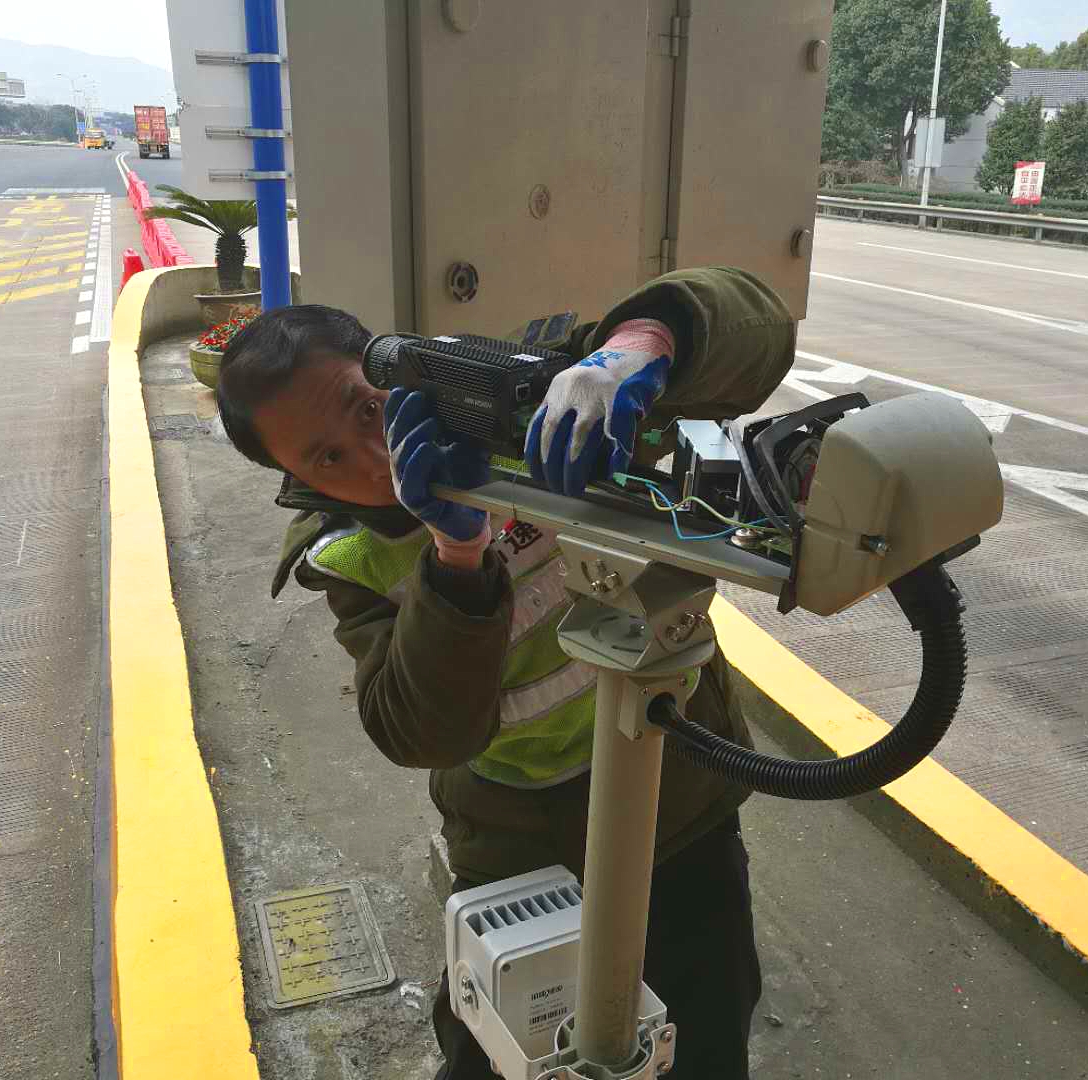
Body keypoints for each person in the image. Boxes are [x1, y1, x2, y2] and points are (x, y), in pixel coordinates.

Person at [216, 266, 796, 1078]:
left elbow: (755, 325)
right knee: (490, 1049)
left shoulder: (515, 395)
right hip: (516, 836)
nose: (372, 458)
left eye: (367, 408)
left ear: (393, 365)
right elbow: (423, 731)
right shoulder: (349, 555)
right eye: (328, 458)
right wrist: (456, 560)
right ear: (301, 481)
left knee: (704, 1033)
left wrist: (639, 346)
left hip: (678, 802)